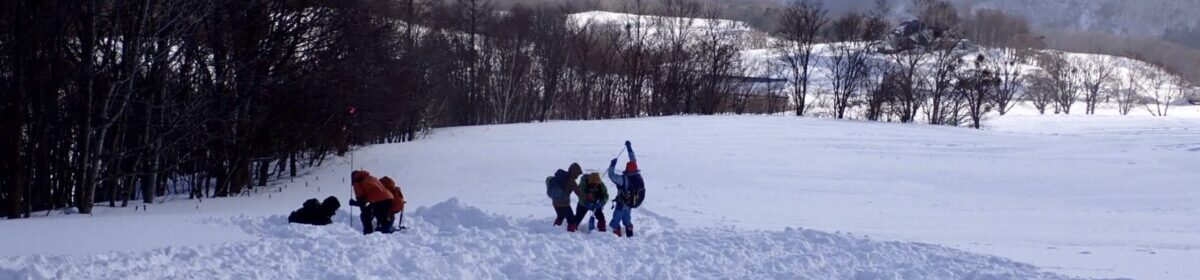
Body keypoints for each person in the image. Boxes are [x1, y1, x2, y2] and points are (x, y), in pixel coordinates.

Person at [608, 141, 646, 237]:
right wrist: (629, 148)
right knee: (627, 219)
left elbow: (611, 176)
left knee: (615, 221)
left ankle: (614, 238)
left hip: (621, 203)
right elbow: (633, 159)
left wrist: (612, 165)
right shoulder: (637, 176)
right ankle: (630, 236)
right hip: (630, 202)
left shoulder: (623, 179)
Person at [349, 170, 395, 234]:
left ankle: (369, 233)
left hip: (379, 200)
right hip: (389, 197)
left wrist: (353, 203)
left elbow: (361, 201)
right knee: (384, 217)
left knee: (365, 215)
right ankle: (386, 230)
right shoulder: (370, 177)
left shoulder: (357, 182)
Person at [546, 163, 583, 231]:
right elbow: (579, 193)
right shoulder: (571, 181)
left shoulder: (561, 176)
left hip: (555, 203)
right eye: (577, 174)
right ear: (574, 173)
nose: (577, 176)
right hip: (564, 204)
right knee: (572, 221)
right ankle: (571, 233)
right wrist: (586, 197)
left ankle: (555, 229)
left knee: (560, 216)